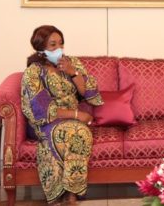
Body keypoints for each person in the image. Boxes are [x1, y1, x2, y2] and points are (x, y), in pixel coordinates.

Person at [21, 25, 103, 205]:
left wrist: (72, 72)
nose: (58, 48)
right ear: (41, 47)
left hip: (73, 120)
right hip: (45, 122)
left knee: (79, 132)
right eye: (52, 45)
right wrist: (76, 115)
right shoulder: (34, 72)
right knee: (77, 132)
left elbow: (88, 93)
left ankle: (71, 194)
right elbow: (40, 110)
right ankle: (64, 193)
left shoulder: (71, 63)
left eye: (61, 44)